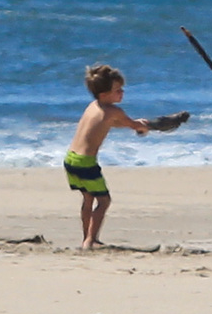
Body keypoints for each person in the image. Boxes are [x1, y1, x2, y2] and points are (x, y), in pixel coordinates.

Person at [64, 64, 149, 249]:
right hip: (86, 163)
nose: (122, 93)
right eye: (118, 90)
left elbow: (110, 124)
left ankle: (86, 236)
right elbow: (133, 125)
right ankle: (90, 241)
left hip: (71, 158)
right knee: (104, 201)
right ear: (104, 94)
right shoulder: (113, 111)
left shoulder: (93, 106)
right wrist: (142, 126)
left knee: (88, 199)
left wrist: (132, 124)